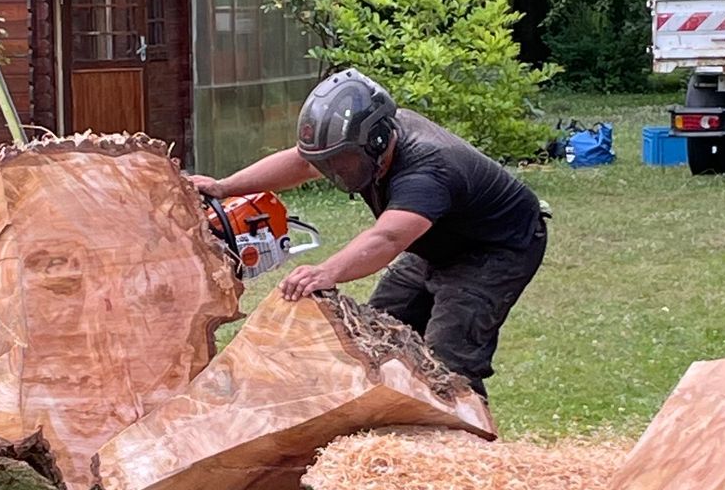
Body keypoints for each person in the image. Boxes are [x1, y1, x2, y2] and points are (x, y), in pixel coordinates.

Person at [190, 70, 548, 393]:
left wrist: (325, 272)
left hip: (495, 251)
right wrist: (225, 187)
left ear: (377, 142)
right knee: (375, 335)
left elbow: (387, 238)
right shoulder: (362, 144)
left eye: (340, 161)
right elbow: (301, 162)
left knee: (449, 362)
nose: (333, 170)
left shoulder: (428, 170)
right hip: (435, 241)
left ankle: (468, 455)